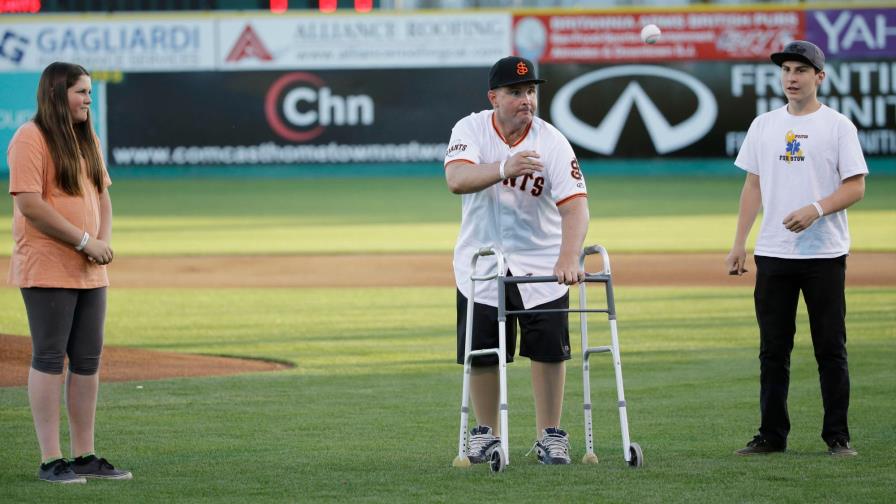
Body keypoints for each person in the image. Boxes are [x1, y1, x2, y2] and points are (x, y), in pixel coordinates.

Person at [445, 56, 589, 465]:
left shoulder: (552, 141)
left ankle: (550, 436)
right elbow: (456, 179)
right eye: (515, 92)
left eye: (530, 92)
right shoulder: (470, 129)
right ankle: (485, 434)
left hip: (542, 259)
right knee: (485, 350)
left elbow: (576, 206)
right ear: (494, 97)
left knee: (548, 349)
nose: (526, 100)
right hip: (481, 259)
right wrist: (504, 166)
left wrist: (568, 256)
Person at [726, 41, 867, 457]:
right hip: (773, 253)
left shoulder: (838, 126)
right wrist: (739, 243)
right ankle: (772, 435)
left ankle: (837, 437)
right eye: (786, 70)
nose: (791, 77)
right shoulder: (763, 125)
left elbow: (856, 185)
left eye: (801, 71)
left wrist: (816, 209)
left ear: (819, 77)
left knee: (830, 348)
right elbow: (752, 185)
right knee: (773, 350)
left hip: (824, 255)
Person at [7, 62, 131, 483]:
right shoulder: (30, 137)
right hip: (48, 266)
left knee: (88, 360)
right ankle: (50, 459)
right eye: (81, 92)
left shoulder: (86, 138)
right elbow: (29, 204)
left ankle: (84, 454)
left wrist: (102, 243)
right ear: (58, 94)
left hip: (89, 268)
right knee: (47, 357)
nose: (88, 100)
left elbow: (102, 196)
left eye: (90, 93)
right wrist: (83, 241)